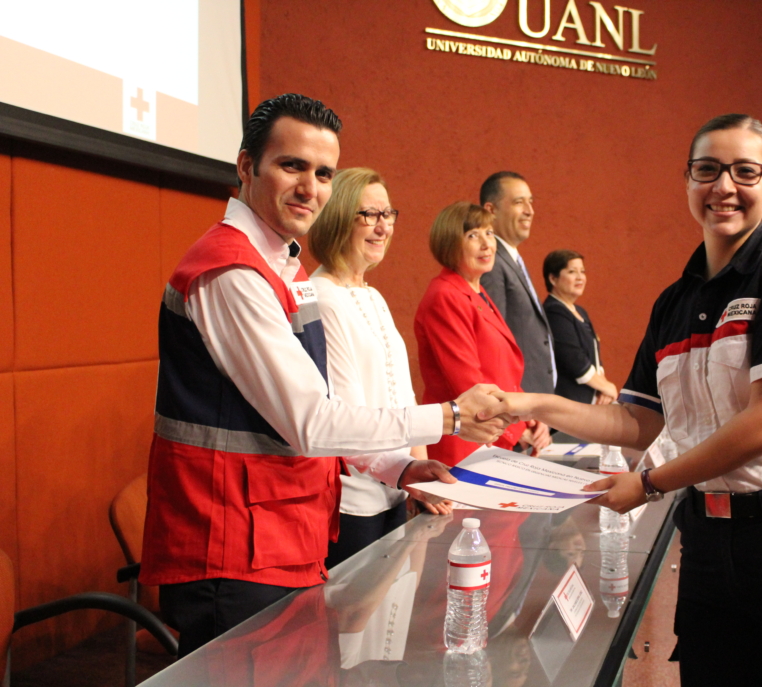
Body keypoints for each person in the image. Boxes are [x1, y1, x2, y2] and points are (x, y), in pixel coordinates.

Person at [485, 114, 762, 685]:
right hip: (709, 547)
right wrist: (524, 403)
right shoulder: (674, 303)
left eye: (745, 171)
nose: (724, 186)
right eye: (707, 170)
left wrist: (650, 484)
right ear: (687, 182)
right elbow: (637, 422)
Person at [139, 94, 506, 657]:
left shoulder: (281, 268)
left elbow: (321, 417)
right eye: (292, 166)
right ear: (245, 167)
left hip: (284, 538)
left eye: (324, 173)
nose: (310, 187)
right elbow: (312, 420)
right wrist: (452, 415)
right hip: (235, 551)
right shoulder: (231, 272)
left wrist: (399, 465)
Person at [308, 168, 452, 569]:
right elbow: (347, 415)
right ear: (336, 217)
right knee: (357, 630)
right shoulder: (322, 297)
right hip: (356, 501)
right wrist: (406, 474)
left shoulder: (373, 295)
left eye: (388, 214)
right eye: (368, 214)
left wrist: (419, 477)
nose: (382, 226)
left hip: (399, 487)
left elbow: (402, 394)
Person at [414, 201, 540, 465]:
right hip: (464, 448)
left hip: (489, 441)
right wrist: (518, 429)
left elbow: (503, 375)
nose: (487, 244)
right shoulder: (446, 295)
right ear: (450, 243)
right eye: (473, 235)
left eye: (489, 233)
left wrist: (528, 416)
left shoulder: (477, 292)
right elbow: (469, 385)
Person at [479, 172, 554, 449]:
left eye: (531, 202)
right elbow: (493, 346)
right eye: (519, 202)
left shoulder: (511, 259)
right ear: (491, 210)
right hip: (516, 418)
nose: (530, 211)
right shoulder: (492, 264)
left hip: (531, 415)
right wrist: (516, 415)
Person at [542, 250, 618, 405]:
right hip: (569, 401)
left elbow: (594, 355)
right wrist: (607, 387)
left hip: (590, 398)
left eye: (582, 272)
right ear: (553, 278)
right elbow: (573, 359)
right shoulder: (554, 311)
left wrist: (602, 389)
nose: (580, 277)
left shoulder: (580, 311)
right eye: (572, 272)